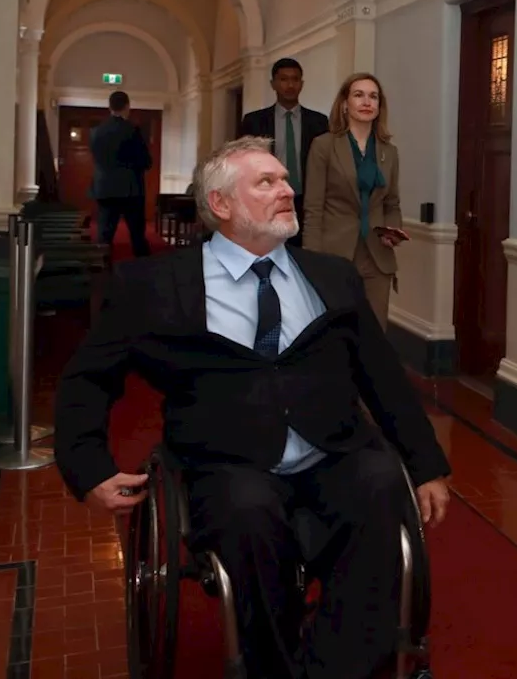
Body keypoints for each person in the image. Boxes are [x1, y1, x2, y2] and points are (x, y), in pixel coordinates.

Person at [54, 136, 451, 679]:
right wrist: (88, 465)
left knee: (382, 484)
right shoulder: (154, 285)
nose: (287, 190)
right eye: (267, 182)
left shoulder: (332, 276)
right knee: (247, 512)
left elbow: (382, 378)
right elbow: (87, 379)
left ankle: (337, 668)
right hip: (227, 461)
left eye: (285, 179)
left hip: (331, 451)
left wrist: (426, 465)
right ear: (221, 204)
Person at [302, 73, 405, 328]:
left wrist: (392, 231)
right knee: (336, 331)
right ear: (345, 103)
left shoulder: (389, 152)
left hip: (377, 255)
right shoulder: (324, 146)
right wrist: (312, 261)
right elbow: (313, 208)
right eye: (358, 95)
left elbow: (392, 203)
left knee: (374, 331)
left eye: (373, 97)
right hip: (335, 253)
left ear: (380, 106)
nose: (366, 102)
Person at [238, 57, 330, 245]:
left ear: (301, 84)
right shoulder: (254, 121)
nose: (290, 85)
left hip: (307, 202)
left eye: (295, 79)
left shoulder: (319, 122)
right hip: (267, 199)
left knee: (303, 258)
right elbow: (242, 163)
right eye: (284, 79)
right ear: (273, 84)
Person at [88, 90, 152, 256]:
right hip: (130, 189)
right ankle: (142, 272)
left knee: (104, 235)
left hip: (104, 189)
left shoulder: (96, 132)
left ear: (109, 107)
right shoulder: (132, 130)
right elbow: (145, 161)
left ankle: (101, 272)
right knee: (137, 235)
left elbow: (97, 158)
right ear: (127, 107)